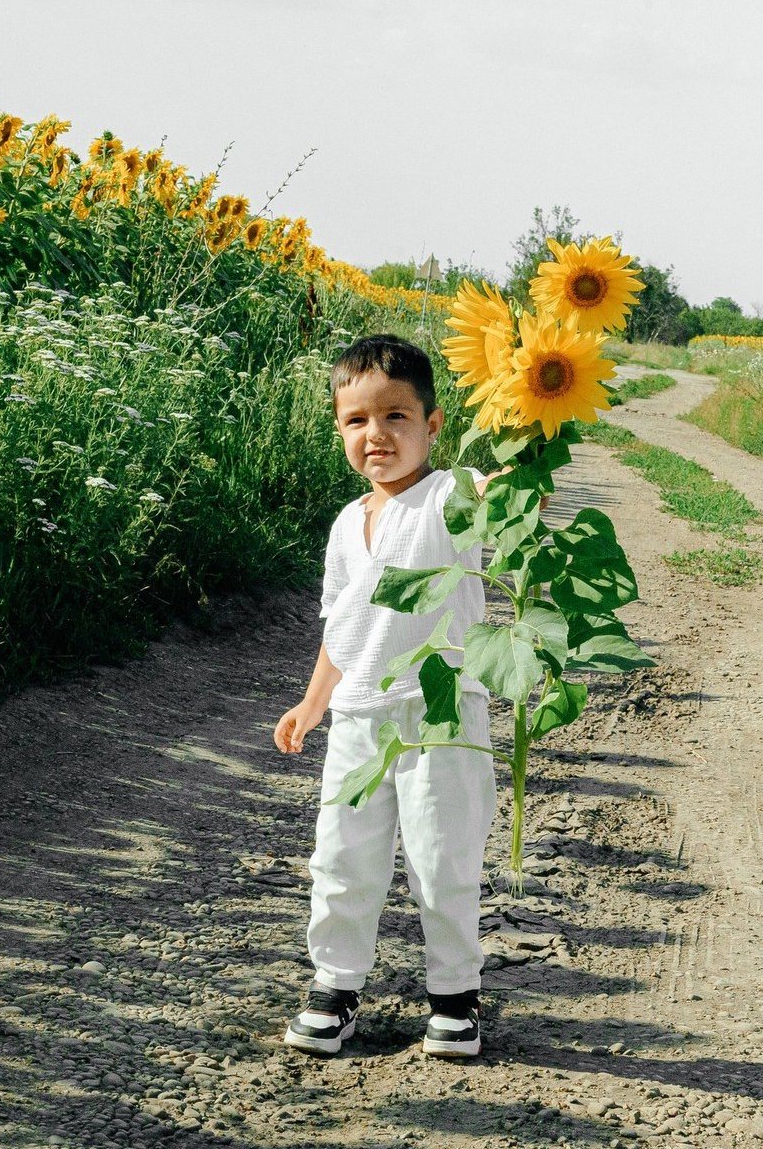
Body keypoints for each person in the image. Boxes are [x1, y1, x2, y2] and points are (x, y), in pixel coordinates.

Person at [273, 334, 495, 1058]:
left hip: (442, 716)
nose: (377, 435)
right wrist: (313, 703)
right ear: (339, 430)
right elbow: (341, 625)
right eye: (357, 421)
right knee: (342, 859)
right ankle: (334, 991)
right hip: (359, 720)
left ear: (433, 427)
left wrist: (522, 469)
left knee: (443, 859)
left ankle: (455, 1001)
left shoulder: (446, 496)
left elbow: (503, 495)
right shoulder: (345, 525)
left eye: (397, 417)